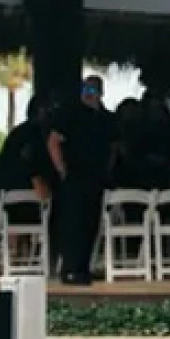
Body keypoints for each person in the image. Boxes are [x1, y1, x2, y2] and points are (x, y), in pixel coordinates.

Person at [47, 76, 118, 285]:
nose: (91, 93)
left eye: (94, 89)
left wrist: (107, 169)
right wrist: (62, 170)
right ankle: (70, 268)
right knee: (73, 222)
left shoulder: (105, 118)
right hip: (75, 176)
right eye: (87, 88)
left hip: (96, 177)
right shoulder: (70, 113)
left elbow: (114, 146)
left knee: (91, 222)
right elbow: (53, 142)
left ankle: (83, 267)